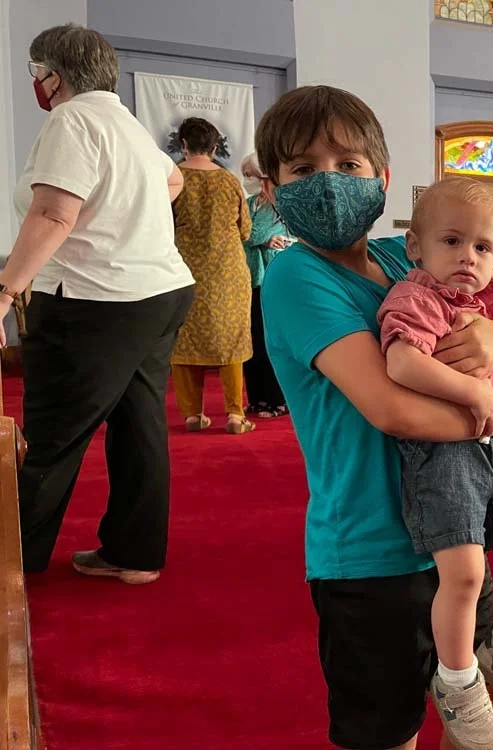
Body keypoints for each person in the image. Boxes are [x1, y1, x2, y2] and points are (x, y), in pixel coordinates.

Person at [257, 85, 493, 750]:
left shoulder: (403, 258)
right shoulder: (297, 276)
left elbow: (492, 335)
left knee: (484, 704)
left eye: (348, 165)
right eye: (302, 169)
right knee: (389, 730)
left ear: (381, 180)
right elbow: (393, 409)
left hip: (455, 524)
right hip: (371, 549)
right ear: (271, 191)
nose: (328, 181)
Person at [4, 24, 194, 583]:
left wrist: (6, 292)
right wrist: (124, 222)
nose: (36, 84)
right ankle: (134, 553)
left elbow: (53, 215)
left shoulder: (72, 118)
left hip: (95, 300)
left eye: (36, 73)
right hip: (159, 291)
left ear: (53, 76)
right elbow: (174, 180)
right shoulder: (127, 123)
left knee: (52, 436)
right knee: (139, 423)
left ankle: (11, 567)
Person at [377, 177, 493, 749]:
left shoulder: (485, 305)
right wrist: (474, 392)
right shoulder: (417, 298)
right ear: (417, 248)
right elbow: (403, 365)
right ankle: (457, 682)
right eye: (452, 241)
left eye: (482, 248)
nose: (467, 257)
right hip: (445, 457)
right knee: (465, 573)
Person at [170, 118, 256, 435]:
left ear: (183, 144)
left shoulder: (173, 179)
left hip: (183, 269)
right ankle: (235, 415)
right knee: (230, 340)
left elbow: (163, 226)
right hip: (227, 272)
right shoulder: (231, 182)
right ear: (215, 147)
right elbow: (245, 230)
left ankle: (192, 415)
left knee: (184, 339)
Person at [240, 153, 289, 418]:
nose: (248, 179)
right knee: (252, 344)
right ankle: (256, 399)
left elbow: (252, 233)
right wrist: (261, 238)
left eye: (251, 174)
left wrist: (262, 238)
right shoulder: (248, 203)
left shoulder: (278, 205)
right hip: (248, 280)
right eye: (245, 174)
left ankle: (276, 400)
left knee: (271, 343)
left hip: (272, 280)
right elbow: (243, 234)